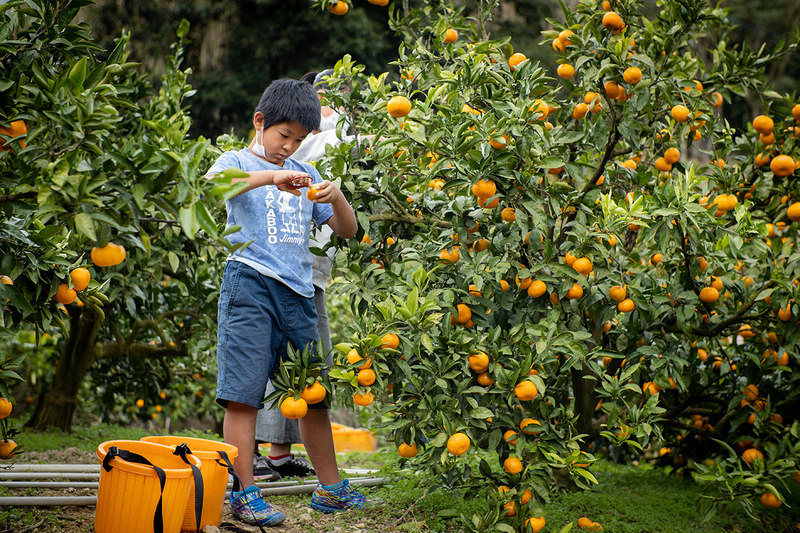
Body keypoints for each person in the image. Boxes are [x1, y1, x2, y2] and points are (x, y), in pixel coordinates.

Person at [206, 78, 369, 527]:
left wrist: (336, 196)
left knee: (312, 396)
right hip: (250, 286)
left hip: (298, 294)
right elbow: (216, 186)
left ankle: (331, 490)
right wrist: (272, 176)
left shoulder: (307, 172)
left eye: (299, 140)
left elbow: (347, 231)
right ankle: (245, 492)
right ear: (260, 122)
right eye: (284, 136)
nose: (289, 147)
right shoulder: (237, 161)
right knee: (243, 396)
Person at [252, 69, 375, 481]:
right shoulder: (318, 135)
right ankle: (265, 458)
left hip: (307, 272)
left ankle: (281, 456)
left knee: (302, 373)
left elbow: (348, 228)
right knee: (288, 369)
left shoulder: (302, 146)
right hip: (278, 272)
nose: (291, 145)